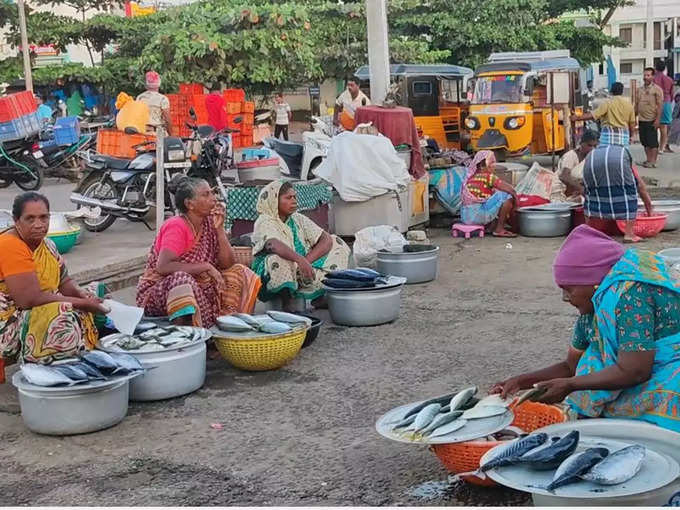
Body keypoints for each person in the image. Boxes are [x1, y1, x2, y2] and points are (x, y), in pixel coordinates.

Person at [491, 225, 680, 432]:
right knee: (591, 360)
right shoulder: (593, 311)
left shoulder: (631, 298)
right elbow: (572, 366)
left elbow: (636, 371)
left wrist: (570, 385)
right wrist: (520, 381)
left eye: (569, 289)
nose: (565, 298)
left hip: (664, 367)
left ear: (595, 283)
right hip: (635, 367)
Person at [0, 193, 108, 365]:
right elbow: (29, 299)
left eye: (44, 217)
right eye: (30, 218)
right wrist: (82, 304)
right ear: (16, 220)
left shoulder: (47, 244)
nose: (39, 225)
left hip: (39, 303)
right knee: (61, 317)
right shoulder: (9, 245)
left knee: (95, 294)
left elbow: (64, 281)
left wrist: (82, 295)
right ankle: (47, 363)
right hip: (8, 319)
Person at [136, 178, 261, 327]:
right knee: (182, 280)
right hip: (160, 290)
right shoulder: (177, 225)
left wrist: (219, 230)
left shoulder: (209, 222)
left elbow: (228, 264)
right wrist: (205, 266)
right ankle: (184, 337)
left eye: (212, 193)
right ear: (190, 204)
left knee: (239, 272)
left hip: (200, 285)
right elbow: (163, 267)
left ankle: (229, 327)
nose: (213, 199)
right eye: (206, 195)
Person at [252, 180, 351, 311]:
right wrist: (300, 260)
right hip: (270, 275)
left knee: (337, 243)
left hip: (299, 267)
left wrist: (306, 262)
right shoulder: (265, 220)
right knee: (278, 258)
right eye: (288, 198)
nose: (294, 201)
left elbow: (325, 239)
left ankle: (320, 295)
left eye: (294, 197)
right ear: (274, 200)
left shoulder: (297, 218)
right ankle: (287, 300)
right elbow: (273, 244)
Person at [582, 143, 649, 243]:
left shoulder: (592, 153)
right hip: (617, 169)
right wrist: (649, 209)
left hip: (593, 167)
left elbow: (586, 188)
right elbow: (641, 187)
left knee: (591, 193)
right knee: (630, 191)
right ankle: (629, 234)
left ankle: (589, 232)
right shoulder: (624, 155)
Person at [460, 150, 518, 238]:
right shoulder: (488, 177)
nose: (493, 166)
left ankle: (491, 227)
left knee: (494, 196)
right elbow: (511, 190)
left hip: (465, 217)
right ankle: (499, 229)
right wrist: (516, 204)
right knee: (506, 196)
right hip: (476, 216)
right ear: (483, 166)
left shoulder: (470, 177)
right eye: (491, 162)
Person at [571, 82, 635, 147]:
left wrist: (576, 118)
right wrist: (631, 136)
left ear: (611, 91)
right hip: (623, 137)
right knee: (622, 155)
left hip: (608, 136)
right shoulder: (629, 105)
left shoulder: (607, 103)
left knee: (606, 155)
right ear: (622, 92)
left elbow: (593, 115)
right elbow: (632, 123)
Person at [556, 129, 600, 201]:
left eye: (595, 146)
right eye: (589, 145)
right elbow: (564, 176)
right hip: (563, 191)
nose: (592, 149)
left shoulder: (592, 157)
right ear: (581, 143)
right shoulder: (571, 156)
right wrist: (581, 188)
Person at [635, 67, 663, 168]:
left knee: (653, 142)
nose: (645, 77)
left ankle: (653, 162)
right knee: (644, 142)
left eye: (648, 75)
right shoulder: (639, 90)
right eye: (644, 75)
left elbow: (660, 106)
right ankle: (648, 160)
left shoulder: (657, 90)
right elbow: (636, 104)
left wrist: (658, 119)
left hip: (652, 119)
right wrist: (634, 118)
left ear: (653, 77)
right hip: (641, 120)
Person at [136, 71, 172, 135]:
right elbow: (167, 120)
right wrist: (171, 135)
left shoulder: (140, 98)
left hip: (143, 133)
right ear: (159, 83)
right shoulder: (162, 99)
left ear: (146, 84)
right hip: (158, 134)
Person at [653, 61, 675, 154]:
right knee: (664, 127)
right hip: (666, 102)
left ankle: (653, 147)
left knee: (653, 126)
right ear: (664, 68)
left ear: (655, 68)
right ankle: (661, 148)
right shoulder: (669, 80)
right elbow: (672, 94)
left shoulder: (653, 79)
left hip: (655, 103)